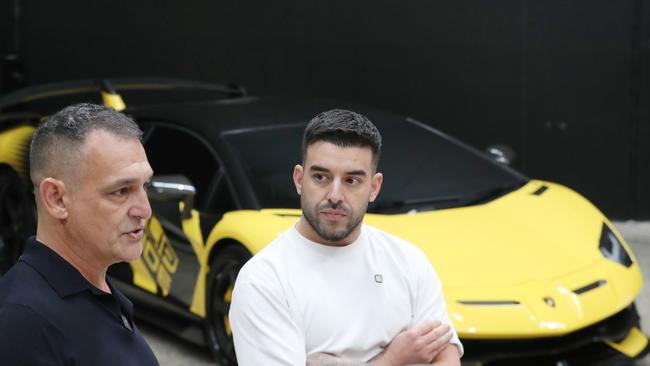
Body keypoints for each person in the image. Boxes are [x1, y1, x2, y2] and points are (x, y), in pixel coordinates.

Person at [229, 109, 462, 365]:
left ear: (374, 187)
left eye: (352, 180)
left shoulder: (408, 260)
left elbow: (445, 353)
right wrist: (393, 359)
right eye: (321, 177)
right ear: (299, 179)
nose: (335, 195)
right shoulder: (263, 281)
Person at [0, 103, 159, 365]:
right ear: (57, 199)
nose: (145, 209)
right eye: (121, 191)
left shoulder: (96, 291)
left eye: (144, 186)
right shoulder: (21, 322)